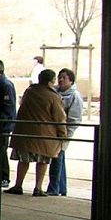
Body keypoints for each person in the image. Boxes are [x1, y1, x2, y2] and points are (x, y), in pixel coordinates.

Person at [7, 69, 67, 196]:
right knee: (43, 161)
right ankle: (38, 187)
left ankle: (18, 185)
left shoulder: (29, 92)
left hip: (25, 133)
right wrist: (62, 134)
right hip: (44, 135)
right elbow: (59, 118)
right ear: (52, 81)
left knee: (24, 160)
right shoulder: (53, 96)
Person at [46, 69, 83, 197]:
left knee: (57, 158)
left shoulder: (74, 96)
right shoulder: (55, 92)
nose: (61, 80)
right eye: (59, 77)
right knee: (58, 158)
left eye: (64, 78)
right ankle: (61, 187)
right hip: (53, 130)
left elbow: (75, 118)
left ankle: (54, 187)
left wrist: (67, 133)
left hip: (63, 131)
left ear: (71, 80)